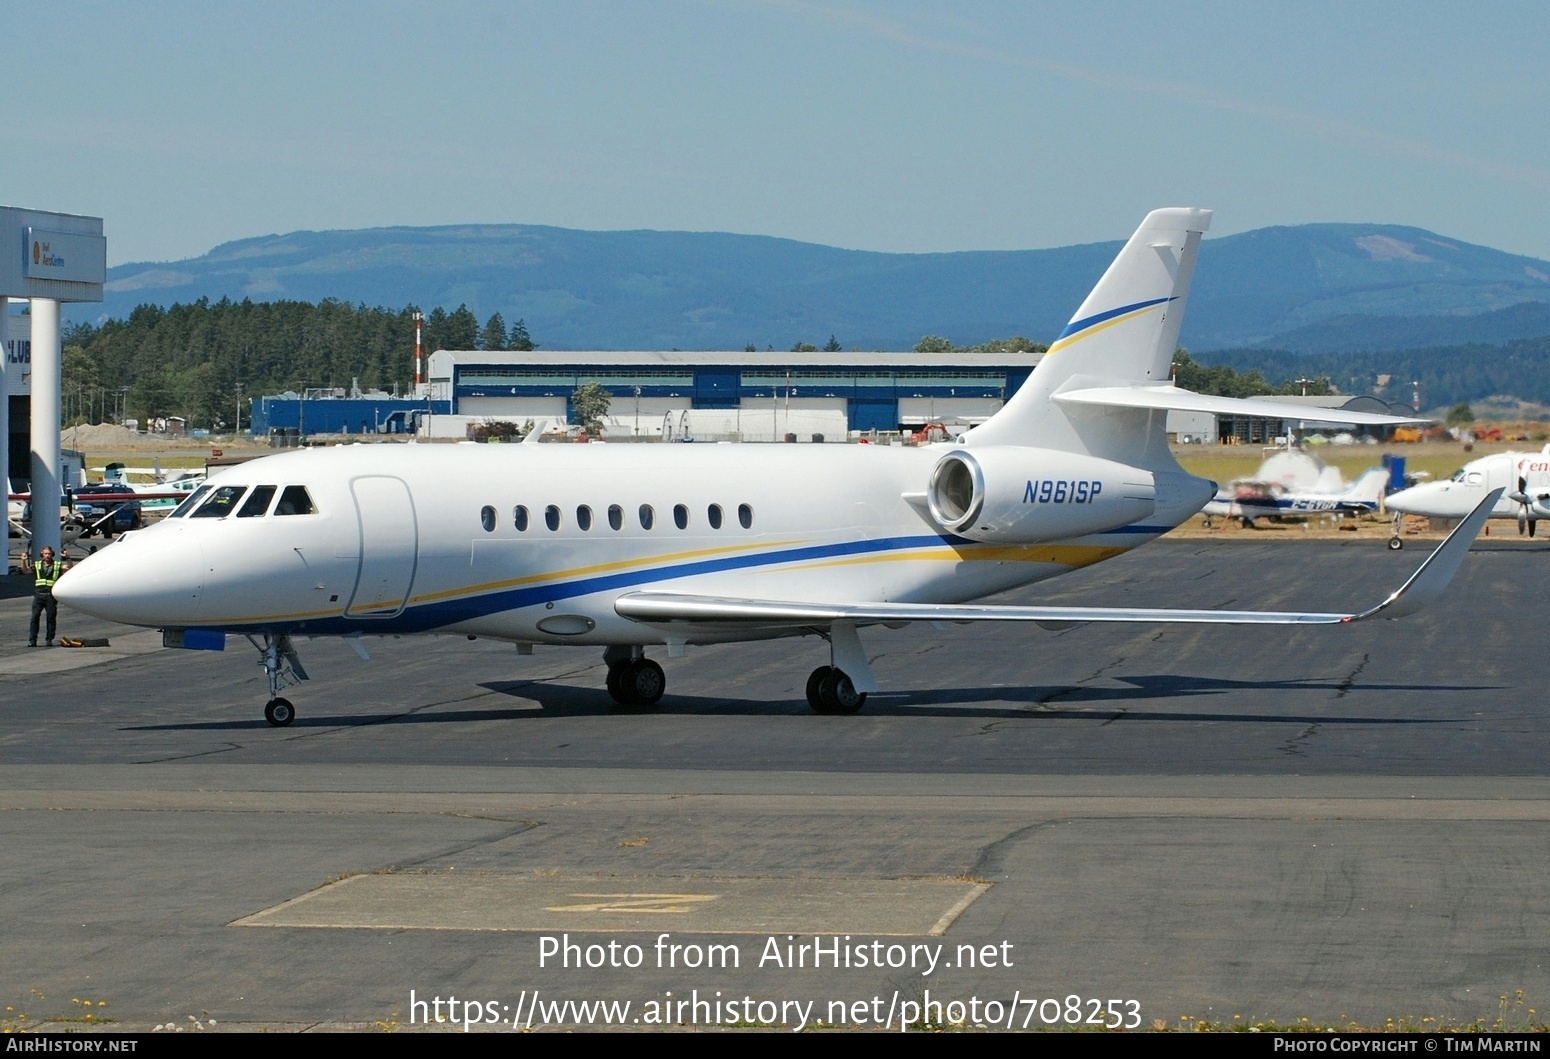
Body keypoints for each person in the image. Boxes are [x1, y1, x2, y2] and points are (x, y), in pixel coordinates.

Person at [23, 545, 70, 647]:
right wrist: (23, 561)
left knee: (51, 618)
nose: (47, 556)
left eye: (49, 554)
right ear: (42, 555)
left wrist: (67, 558)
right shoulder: (37, 565)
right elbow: (26, 571)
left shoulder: (57, 565)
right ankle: (32, 640)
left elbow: (69, 568)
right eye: (45, 554)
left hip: (50, 596)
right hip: (39, 595)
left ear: (52, 554)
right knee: (34, 618)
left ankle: (49, 639)